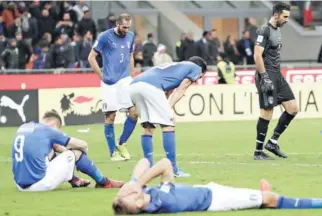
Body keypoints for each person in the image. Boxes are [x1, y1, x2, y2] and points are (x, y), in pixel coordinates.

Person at [112, 158, 322, 214]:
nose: (136, 196)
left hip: (210, 190)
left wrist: (133, 184)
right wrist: (137, 185)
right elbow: (163, 164)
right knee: (272, 199)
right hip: (216, 201)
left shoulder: (149, 197)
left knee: (260, 197)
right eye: (132, 199)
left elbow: (144, 161)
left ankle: (261, 196)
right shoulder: (160, 202)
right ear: (135, 209)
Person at [128, 56, 208, 177]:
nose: (196, 79)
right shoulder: (195, 68)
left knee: (148, 126)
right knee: (169, 124)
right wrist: (167, 109)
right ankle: (173, 170)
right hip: (150, 87)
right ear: (201, 69)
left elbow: (168, 90)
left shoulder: (176, 67)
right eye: (200, 76)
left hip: (134, 85)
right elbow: (180, 90)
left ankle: (147, 166)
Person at [12, 110, 124, 192]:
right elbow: (83, 145)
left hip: (19, 185)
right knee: (76, 153)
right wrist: (80, 158)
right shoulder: (49, 130)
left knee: (51, 154)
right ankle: (104, 182)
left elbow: (52, 150)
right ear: (55, 126)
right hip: (39, 184)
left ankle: (74, 180)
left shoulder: (25, 127)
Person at [88, 13, 138, 161]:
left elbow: (130, 56)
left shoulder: (131, 36)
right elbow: (91, 57)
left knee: (134, 112)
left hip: (125, 80)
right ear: (117, 24)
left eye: (129, 27)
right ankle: (113, 153)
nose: (126, 30)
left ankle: (121, 143)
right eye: (124, 27)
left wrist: (132, 76)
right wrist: (101, 76)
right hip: (110, 82)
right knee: (111, 116)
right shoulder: (105, 36)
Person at [253, 2, 298, 160]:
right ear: (276, 14)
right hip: (267, 74)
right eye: (284, 16)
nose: (286, 20)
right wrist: (264, 76)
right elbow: (257, 55)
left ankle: (272, 142)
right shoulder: (264, 30)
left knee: (292, 107)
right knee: (267, 111)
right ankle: (258, 152)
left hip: (277, 74)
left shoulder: (278, 30)